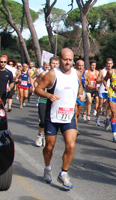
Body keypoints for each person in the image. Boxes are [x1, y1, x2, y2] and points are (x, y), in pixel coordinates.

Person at [34, 48, 85, 190]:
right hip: (53, 116)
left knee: (71, 145)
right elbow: (37, 89)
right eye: (65, 59)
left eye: (70, 59)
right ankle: (47, 168)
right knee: (49, 147)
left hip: (69, 116)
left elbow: (80, 88)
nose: (67, 62)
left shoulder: (77, 74)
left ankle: (63, 173)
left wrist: (81, 95)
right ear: (60, 59)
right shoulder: (52, 74)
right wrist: (48, 95)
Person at [34, 57, 60, 147]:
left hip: (55, 101)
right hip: (43, 99)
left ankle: (46, 136)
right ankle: (40, 135)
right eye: (53, 63)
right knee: (43, 120)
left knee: (51, 121)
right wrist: (40, 91)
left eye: (56, 64)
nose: (54, 65)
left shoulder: (61, 76)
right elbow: (36, 83)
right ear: (49, 64)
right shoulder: (44, 74)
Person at [97, 58, 112, 127]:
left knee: (109, 105)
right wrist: (102, 79)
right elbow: (97, 80)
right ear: (106, 64)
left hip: (110, 90)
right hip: (102, 89)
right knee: (100, 105)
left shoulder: (113, 72)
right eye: (108, 63)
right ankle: (97, 118)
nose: (109, 65)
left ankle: (106, 118)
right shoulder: (102, 71)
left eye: (110, 63)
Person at [74, 59, 86, 129]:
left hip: (82, 94)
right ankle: (75, 127)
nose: (80, 67)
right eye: (79, 65)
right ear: (76, 66)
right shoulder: (73, 73)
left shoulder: (86, 74)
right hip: (74, 94)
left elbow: (90, 84)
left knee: (78, 113)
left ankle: (75, 121)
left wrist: (87, 84)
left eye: (82, 65)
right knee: (75, 113)